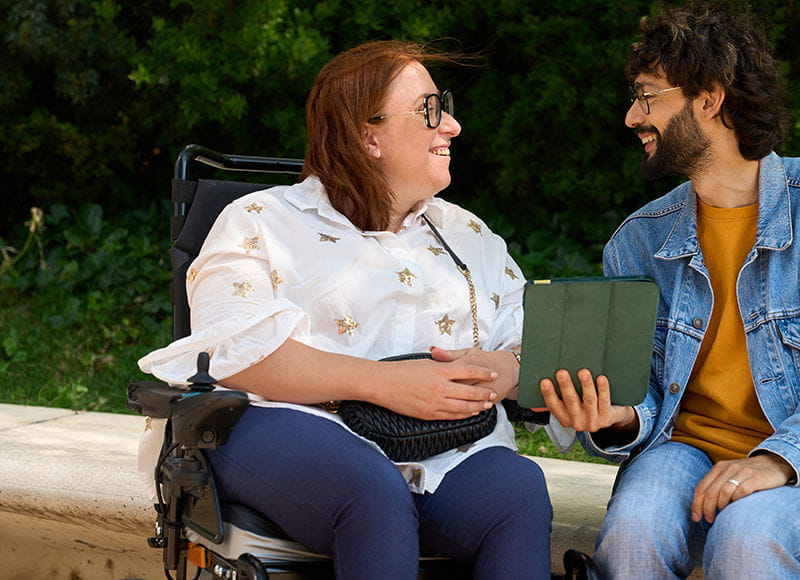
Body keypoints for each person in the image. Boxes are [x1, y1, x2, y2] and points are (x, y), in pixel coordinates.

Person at [137, 41, 552, 579]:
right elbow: (234, 352)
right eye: (430, 110)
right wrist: (386, 384)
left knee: (517, 493)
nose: (452, 125)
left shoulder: (468, 236)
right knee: (370, 492)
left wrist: (507, 370)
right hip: (284, 425)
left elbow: (531, 338)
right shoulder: (260, 221)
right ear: (367, 135)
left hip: (444, 448)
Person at [540, 2, 800, 579]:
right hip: (680, 450)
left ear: (709, 98)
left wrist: (776, 459)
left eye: (647, 96)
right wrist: (618, 416)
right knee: (629, 535)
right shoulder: (638, 242)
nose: (630, 116)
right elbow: (643, 390)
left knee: (747, 536)